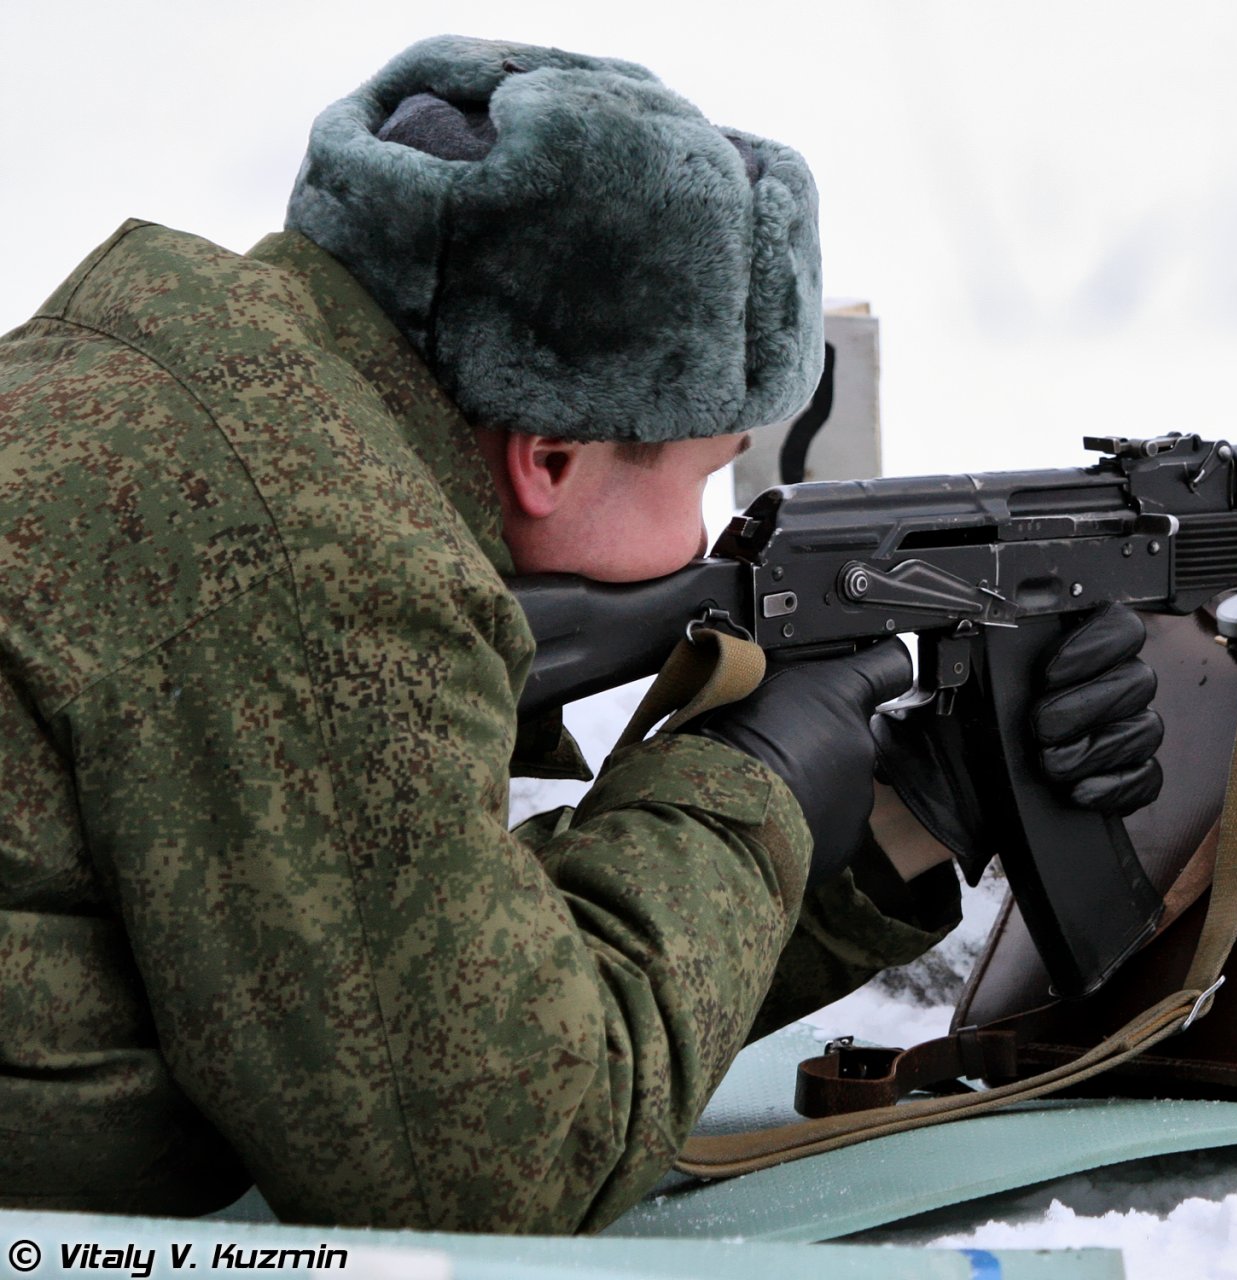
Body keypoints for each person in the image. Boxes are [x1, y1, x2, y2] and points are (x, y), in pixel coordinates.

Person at [0, 36, 1160, 1234]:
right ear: (549, 456)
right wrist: (746, 780)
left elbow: (435, 984)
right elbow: (487, 1155)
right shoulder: (317, 556)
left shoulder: (176, 382)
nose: (710, 533)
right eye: (704, 476)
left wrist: (905, 816)